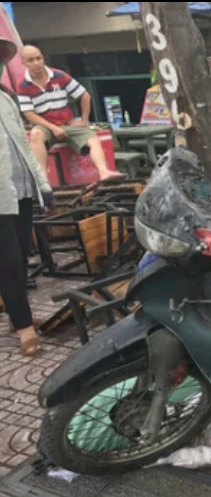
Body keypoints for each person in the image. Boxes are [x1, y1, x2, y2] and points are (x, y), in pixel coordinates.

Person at [0, 37, 55, 356]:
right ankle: (24, 326)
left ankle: (15, 310)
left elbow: (23, 144)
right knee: (8, 261)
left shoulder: (7, 98)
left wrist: (43, 185)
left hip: (19, 190)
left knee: (20, 257)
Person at [16, 45, 126, 182]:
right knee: (35, 134)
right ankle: (43, 179)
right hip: (45, 127)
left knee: (93, 139)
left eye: (38, 58)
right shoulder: (22, 84)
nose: (36, 63)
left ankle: (104, 172)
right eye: (31, 60)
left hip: (68, 124)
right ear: (24, 63)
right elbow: (29, 114)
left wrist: (83, 121)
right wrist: (53, 128)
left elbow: (85, 95)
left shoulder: (59, 75)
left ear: (43, 58)